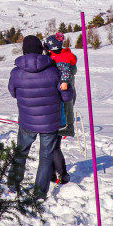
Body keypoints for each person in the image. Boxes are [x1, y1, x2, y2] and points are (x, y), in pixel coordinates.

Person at [7, 35, 73, 197]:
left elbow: (13, 93)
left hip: (27, 120)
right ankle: (39, 193)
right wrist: (67, 87)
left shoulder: (16, 72)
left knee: (21, 153)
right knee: (46, 157)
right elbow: (66, 97)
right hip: (50, 122)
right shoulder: (54, 70)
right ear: (41, 50)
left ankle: (13, 185)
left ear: (24, 51)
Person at [44, 32, 77, 184]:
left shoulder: (59, 62)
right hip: (62, 108)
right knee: (53, 144)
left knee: (53, 145)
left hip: (56, 110)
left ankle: (61, 174)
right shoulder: (67, 58)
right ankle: (54, 173)